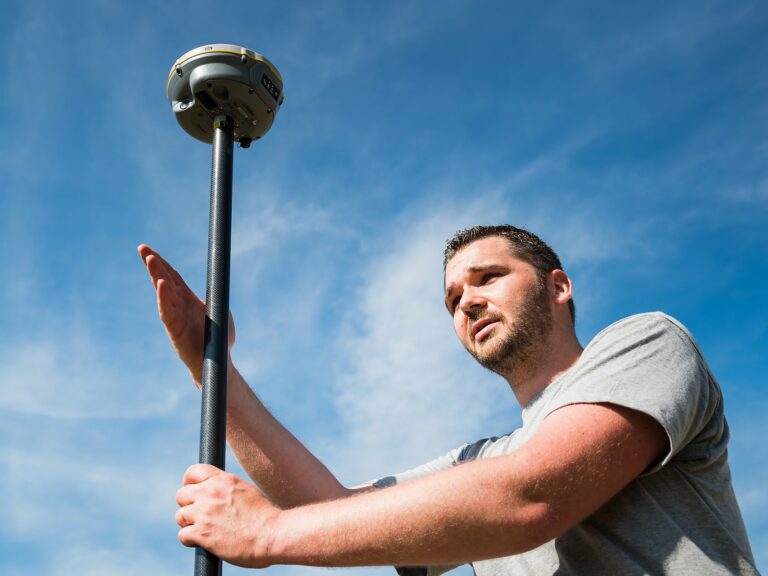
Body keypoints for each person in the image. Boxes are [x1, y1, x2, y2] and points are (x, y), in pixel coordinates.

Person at [138, 224, 757, 575]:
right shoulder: (479, 467)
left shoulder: (648, 344)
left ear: (559, 286)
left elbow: (530, 498)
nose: (467, 301)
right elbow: (329, 507)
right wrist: (211, 367)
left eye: (488, 277)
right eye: (452, 298)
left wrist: (269, 535)